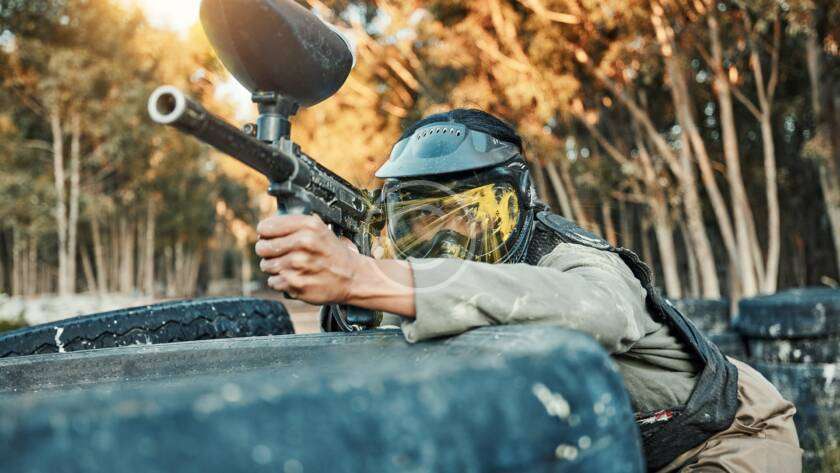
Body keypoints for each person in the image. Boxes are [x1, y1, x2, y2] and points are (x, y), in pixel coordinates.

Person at [254, 109, 802, 472]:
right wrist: (346, 290)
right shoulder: (432, 284)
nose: (448, 245)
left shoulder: (576, 259)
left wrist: (366, 276)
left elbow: (597, 314)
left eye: (473, 219)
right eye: (422, 225)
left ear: (519, 205)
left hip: (726, 439)